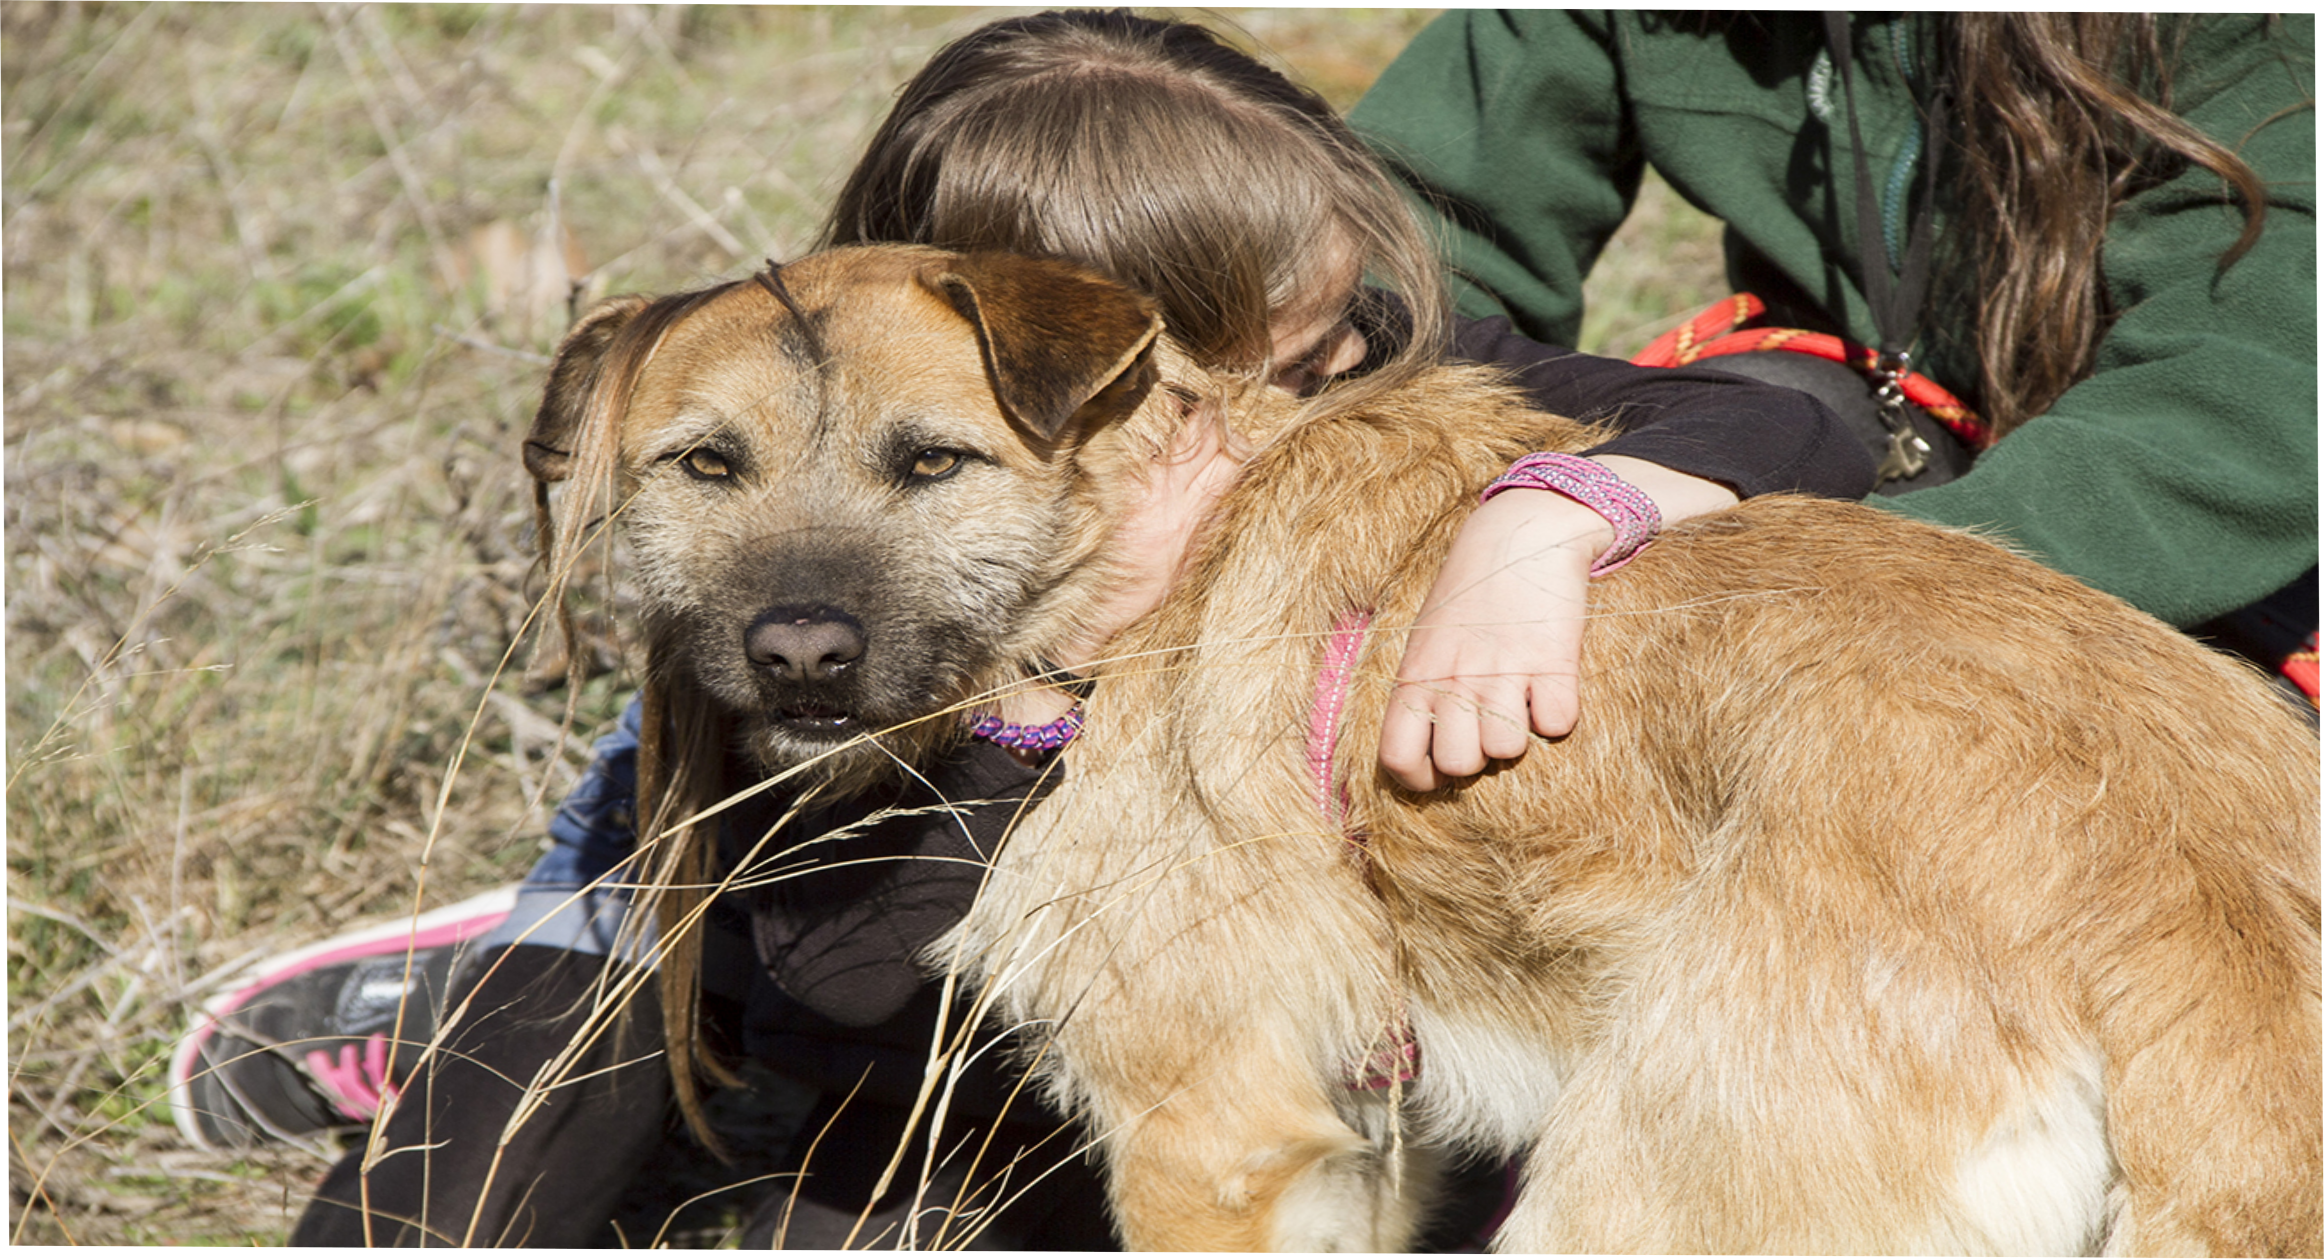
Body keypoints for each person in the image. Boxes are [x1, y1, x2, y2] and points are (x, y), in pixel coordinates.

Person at [175, 10, 1882, 1247]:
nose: (1327, 372)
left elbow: (1791, 406)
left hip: (1104, 955)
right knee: (632, 979)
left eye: (1337, 320)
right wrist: (1049, 677)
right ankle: (512, 964)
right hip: (838, 942)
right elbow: (848, 961)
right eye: (1276, 354)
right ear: (1086, 359)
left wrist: (1556, 510)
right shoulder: (846, 545)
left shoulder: (1332, 341)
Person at [1350, 10, 2319, 767]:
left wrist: (1827, 600)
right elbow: (1405, 251)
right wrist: (1512, 516)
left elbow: (2243, 397)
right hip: (1847, 426)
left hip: (2195, 521)